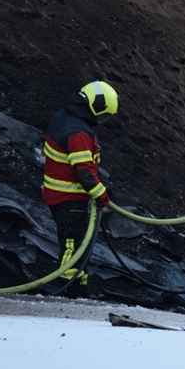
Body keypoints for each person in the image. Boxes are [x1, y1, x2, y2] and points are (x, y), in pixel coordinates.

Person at [42, 81, 119, 298]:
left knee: (79, 247)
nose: (99, 120)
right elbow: (84, 171)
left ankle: (81, 291)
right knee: (72, 246)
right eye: (102, 114)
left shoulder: (63, 118)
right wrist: (103, 198)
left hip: (62, 195)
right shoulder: (78, 132)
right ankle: (68, 293)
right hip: (68, 199)